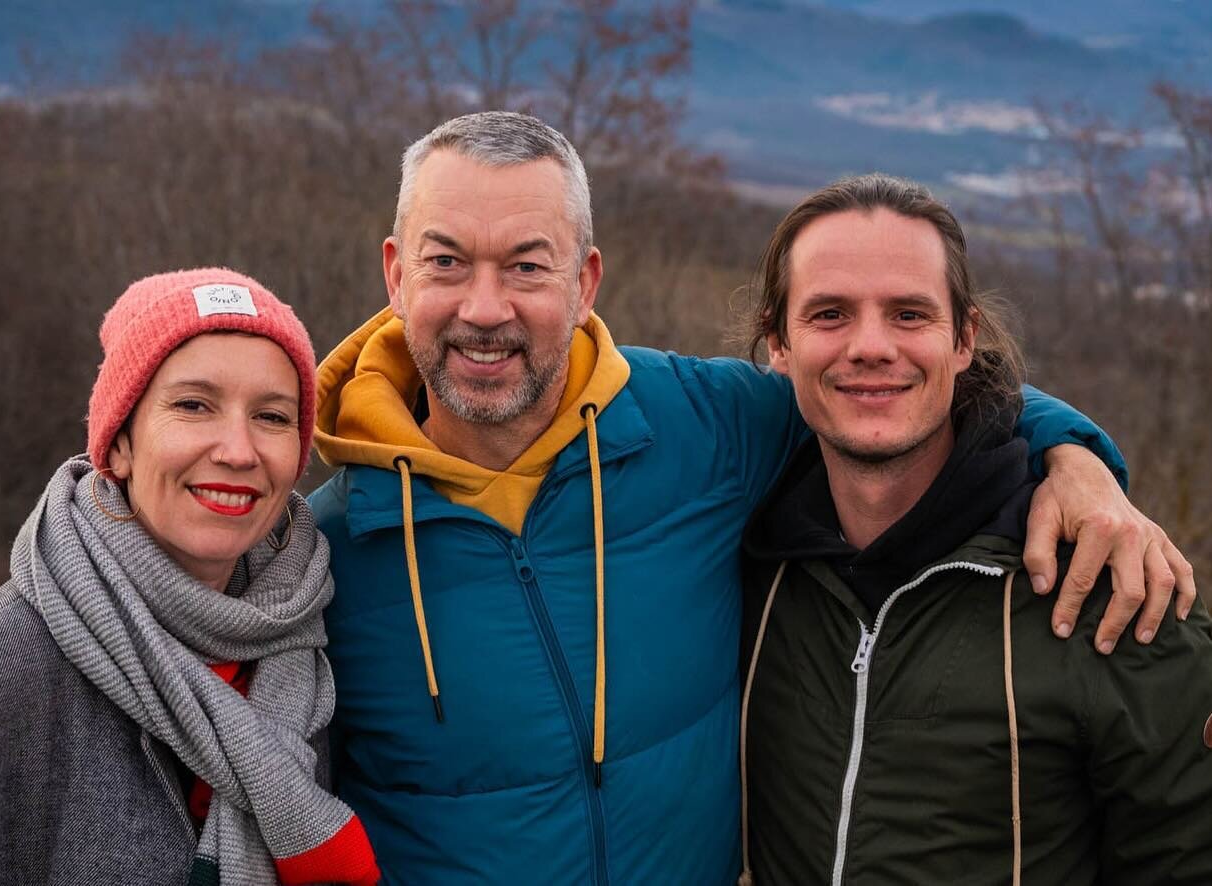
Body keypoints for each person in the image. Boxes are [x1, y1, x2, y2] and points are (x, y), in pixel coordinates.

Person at [308, 112, 1194, 884]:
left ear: (584, 283)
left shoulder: (701, 426)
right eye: (447, 262)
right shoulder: (324, 553)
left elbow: (886, 396)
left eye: (528, 267)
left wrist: (1075, 456)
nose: (485, 307)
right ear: (395, 275)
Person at [739, 174, 1212, 884]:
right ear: (777, 343)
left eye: (908, 314)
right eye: (829, 314)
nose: (869, 345)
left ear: (964, 340)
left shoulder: (1111, 591)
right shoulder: (737, 558)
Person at [0, 269, 381, 886]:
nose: (238, 450)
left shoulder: (306, 648)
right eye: (194, 405)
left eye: (272, 416)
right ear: (119, 444)